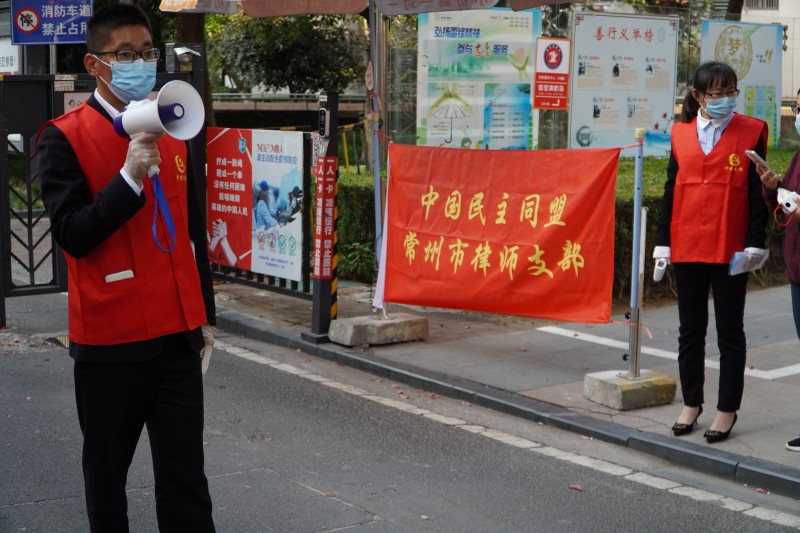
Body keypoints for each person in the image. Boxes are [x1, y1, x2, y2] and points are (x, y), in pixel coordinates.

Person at [36, 4, 216, 531]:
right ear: (95, 65)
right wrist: (129, 179)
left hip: (178, 337)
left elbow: (191, 229)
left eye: (147, 52)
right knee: (108, 479)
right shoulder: (63, 136)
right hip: (111, 341)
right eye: (125, 55)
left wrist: (204, 315)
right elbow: (73, 235)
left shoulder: (172, 124)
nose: (140, 63)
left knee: (186, 479)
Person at [653, 61, 769, 444]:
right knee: (690, 330)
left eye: (730, 92)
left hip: (731, 246)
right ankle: (692, 403)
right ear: (698, 96)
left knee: (730, 331)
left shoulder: (751, 131)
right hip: (687, 242)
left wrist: (755, 242)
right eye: (716, 94)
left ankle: (726, 409)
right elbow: (671, 189)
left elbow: (757, 194)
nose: (724, 100)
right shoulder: (680, 133)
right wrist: (662, 242)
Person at [753, 88, 800, 452]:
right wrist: (774, 188)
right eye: (798, 106)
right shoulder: (799, 156)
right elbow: (786, 209)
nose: (799, 115)